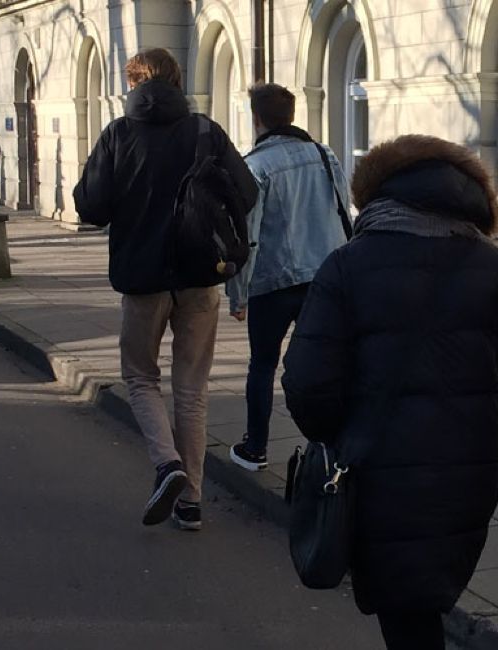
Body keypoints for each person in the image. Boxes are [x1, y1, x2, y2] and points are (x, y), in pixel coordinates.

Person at [281, 135, 498, 650]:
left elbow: (309, 387)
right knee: (431, 592)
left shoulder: (347, 266)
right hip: (475, 472)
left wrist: (338, 435)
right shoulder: (492, 269)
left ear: (375, 194)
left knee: (407, 615)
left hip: (379, 470)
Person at [73, 48, 257, 530]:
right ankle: (191, 502)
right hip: (201, 274)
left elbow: (90, 205)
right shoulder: (205, 131)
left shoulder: (118, 132)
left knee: (139, 377)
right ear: (177, 81)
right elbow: (248, 190)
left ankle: (166, 463)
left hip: (142, 277)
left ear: (135, 83)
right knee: (191, 389)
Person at [225, 83, 351, 472]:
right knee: (325, 361)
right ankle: (334, 446)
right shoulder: (323, 154)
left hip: (273, 282)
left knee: (262, 364)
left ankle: (255, 448)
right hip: (322, 278)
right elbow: (343, 210)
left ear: (257, 118)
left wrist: (238, 294)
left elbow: (246, 234)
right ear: (291, 116)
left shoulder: (255, 166)